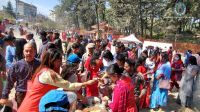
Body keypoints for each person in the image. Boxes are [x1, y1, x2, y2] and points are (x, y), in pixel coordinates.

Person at [17, 48, 97, 112]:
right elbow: (69, 86)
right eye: (58, 61)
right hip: (33, 107)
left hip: (32, 104)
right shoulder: (49, 74)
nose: (60, 63)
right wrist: (87, 83)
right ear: (51, 61)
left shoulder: (42, 70)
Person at [0, 43, 40, 108]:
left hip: (35, 94)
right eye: (26, 51)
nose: (28, 53)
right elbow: (9, 81)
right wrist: (4, 96)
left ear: (35, 52)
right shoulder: (17, 65)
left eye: (31, 51)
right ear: (23, 52)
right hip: (21, 94)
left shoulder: (40, 64)